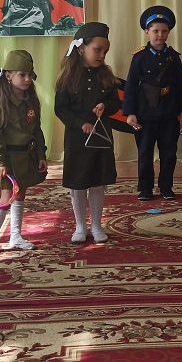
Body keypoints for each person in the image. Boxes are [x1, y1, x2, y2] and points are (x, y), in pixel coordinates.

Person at [55, 22, 120, 243]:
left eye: (105, 51)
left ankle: (97, 226)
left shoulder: (106, 75)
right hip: (77, 140)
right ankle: (80, 227)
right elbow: (61, 109)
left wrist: (105, 106)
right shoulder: (67, 77)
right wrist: (79, 124)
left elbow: (115, 103)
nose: (102, 55)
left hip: (101, 139)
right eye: (97, 50)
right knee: (78, 182)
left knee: (98, 182)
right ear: (82, 48)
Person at [0, 50, 48, 258]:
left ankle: (15, 236)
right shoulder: (0, 104)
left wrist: (41, 154)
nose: (27, 79)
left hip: (27, 156)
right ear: (8, 76)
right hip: (9, 158)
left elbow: (37, 130)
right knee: (6, 198)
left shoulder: (31, 100)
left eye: (30, 75)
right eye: (22, 75)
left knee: (21, 193)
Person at [123, 5, 182, 201]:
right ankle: (145, 188)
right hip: (145, 113)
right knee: (145, 153)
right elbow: (131, 86)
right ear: (147, 31)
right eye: (156, 31)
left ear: (169, 32)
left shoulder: (173, 57)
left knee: (169, 153)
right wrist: (130, 112)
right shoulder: (139, 57)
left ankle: (166, 187)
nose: (160, 35)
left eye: (164, 31)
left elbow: (181, 86)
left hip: (169, 113)